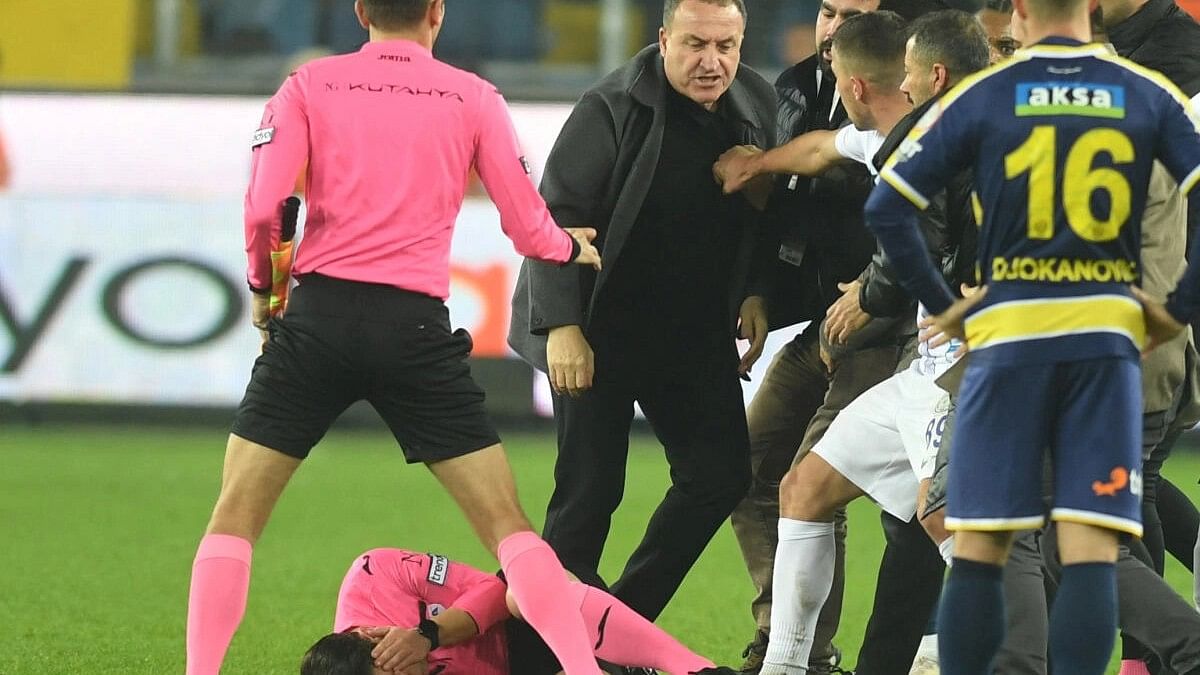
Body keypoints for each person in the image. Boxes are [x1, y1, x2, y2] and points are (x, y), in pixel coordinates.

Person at [183, 2, 614, 674]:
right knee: (509, 527)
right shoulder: (473, 96)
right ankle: (582, 672)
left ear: (359, 10)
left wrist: (269, 298)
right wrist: (569, 248)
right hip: (413, 327)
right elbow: (530, 228)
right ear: (437, 12)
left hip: (318, 319)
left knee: (233, 516)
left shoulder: (308, 86)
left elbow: (267, 207)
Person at [864, 0, 1200, 668]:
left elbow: (888, 206)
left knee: (982, 551)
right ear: (1092, 7)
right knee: (1089, 557)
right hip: (1104, 352)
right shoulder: (1147, 93)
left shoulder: (986, 93)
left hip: (1010, 344)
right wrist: (1172, 311)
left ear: (1018, 11)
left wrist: (944, 303)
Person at [718, 10, 988, 674]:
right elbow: (820, 148)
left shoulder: (935, 147)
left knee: (951, 528)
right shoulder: (895, 135)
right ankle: (789, 663)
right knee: (803, 487)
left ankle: (1029, 643)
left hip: (951, 367)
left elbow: (912, 258)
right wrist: (757, 163)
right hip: (920, 368)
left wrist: (866, 294)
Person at [507, 0, 778, 627]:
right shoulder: (612, 104)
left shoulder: (759, 105)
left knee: (719, 476)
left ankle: (617, 628)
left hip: (690, 336)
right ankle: (535, 657)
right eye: (694, 44)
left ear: (742, 41)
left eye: (726, 45)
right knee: (588, 501)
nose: (712, 62)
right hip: (597, 332)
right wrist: (562, 326)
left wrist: (757, 293)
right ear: (662, 39)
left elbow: (768, 218)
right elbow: (554, 217)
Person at [719, 0, 887, 669]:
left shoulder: (917, 120)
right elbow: (810, 165)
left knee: (817, 484)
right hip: (829, 321)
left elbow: (925, 218)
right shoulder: (801, 89)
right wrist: (759, 289)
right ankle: (788, 639)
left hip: (892, 326)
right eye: (826, 9)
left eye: (853, 13)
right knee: (750, 467)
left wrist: (876, 290)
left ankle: (804, 655)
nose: (834, 25)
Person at [300, 548, 736, 675]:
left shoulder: (374, 574)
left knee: (529, 579)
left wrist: (428, 635)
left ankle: (697, 670)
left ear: (365, 637)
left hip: (524, 627)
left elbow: (492, 589)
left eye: (392, 670)